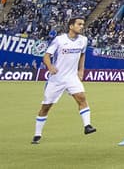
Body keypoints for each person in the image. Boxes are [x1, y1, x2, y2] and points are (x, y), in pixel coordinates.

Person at [32, 15, 95, 144]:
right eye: (79, 24)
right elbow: (46, 56)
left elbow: (82, 55)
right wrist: (50, 67)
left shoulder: (83, 40)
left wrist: (81, 70)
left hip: (72, 77)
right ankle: (37, 134)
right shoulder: (59, 40)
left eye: (83, 24)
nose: (82, 26)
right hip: (57, 78)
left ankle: (87, 126)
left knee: (82, 98)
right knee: (46, 106)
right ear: (71, 26)